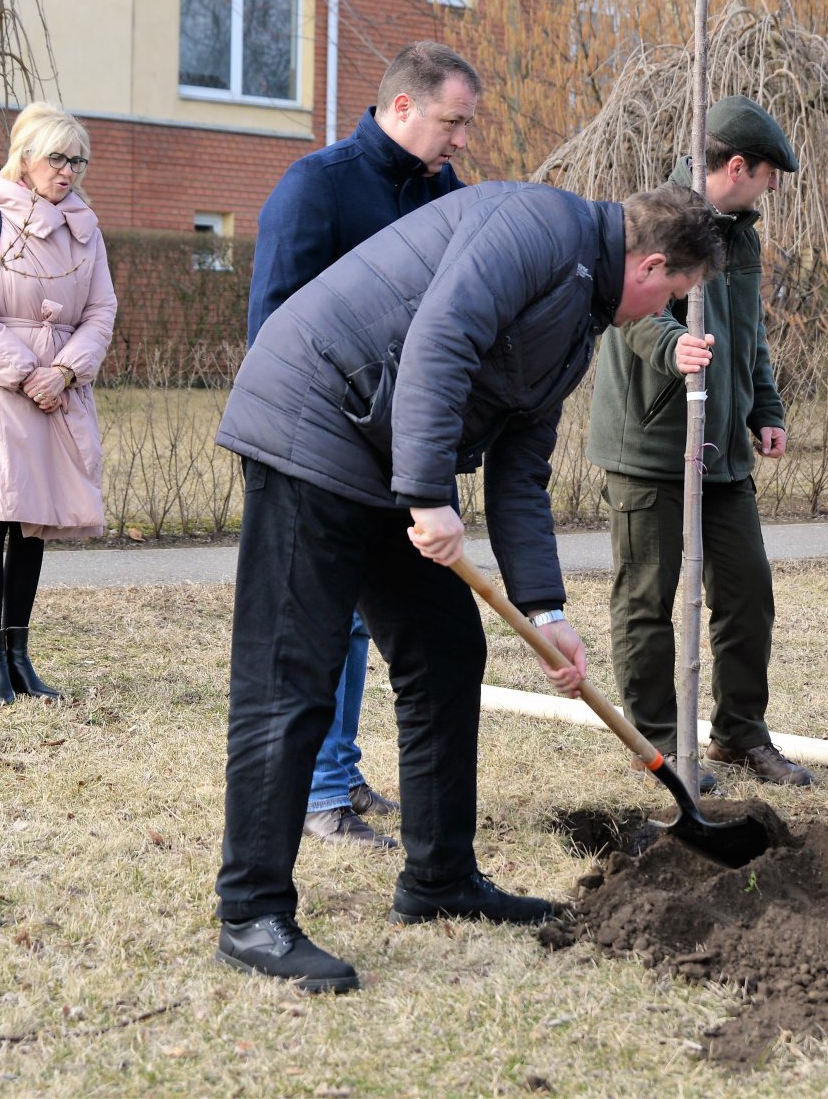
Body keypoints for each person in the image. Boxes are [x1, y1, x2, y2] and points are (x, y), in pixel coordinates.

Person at [213, 180, 721, 993]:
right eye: (675, 294)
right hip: (310, 421)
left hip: (380, 448)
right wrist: (426, 492)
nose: (665, 310)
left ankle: (439, 879)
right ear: (653, 263)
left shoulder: (580, 317)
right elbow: (440, 338)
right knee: (291, 676)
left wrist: (548, 610)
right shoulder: (536, 228)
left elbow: (523, 466)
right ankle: (251, 915)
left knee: (446, 650)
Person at [248, 42, 481, 849]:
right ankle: (318, 795)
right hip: (318, 448)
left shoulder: (444, 196)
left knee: (406, 631)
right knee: (326, 628)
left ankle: (340, 773)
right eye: (452, 122)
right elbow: (274, 329)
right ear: (403, 106)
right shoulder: (318, 186)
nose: (460, 142)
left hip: (402, 450)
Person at [587, 96, 812, 792]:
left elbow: (750, 333)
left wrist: (764, 407)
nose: (773, 189)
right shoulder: (652, 214)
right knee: (646, 599)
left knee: (748, 593)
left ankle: (740, 735)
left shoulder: (742, 233)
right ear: (738, 165)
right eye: (770, 174)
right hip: (651, 445)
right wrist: (672, 345)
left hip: (723, 453)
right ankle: (655, 744)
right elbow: (628, 309)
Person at [0, 102, 119, 705]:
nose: (68, 171)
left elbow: (101, 311)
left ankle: (19, 653)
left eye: (78, 161)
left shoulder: (85, 228)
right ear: (26, 159)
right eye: (58, 158)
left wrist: (66, 370)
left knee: (35, 520)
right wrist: (26, 373)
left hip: (58, 389)